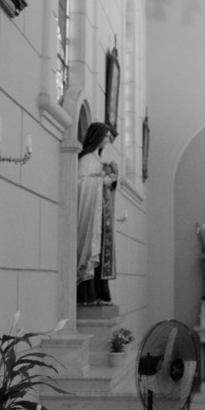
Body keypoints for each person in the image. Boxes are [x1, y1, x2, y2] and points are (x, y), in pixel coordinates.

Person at [76, 122, 118, 305]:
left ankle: (101, 292)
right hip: (91, 215)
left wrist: (111, 178)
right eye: (106, 136)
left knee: (101, 252)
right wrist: (102, 180)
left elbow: (105, 184)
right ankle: (87, 293)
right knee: (93, 251)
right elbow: (80, 184)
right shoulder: (86, 160)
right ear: (97, 137)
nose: (107, 140)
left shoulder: (99, 161)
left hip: (102, 216)